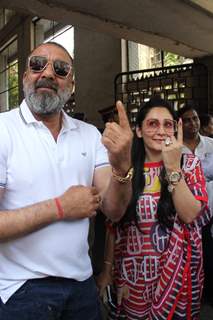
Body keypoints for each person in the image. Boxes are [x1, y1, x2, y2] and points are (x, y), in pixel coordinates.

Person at [0, 41, 133, 320]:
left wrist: (122, 166)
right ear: (25, 77)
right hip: (20, 290)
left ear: (71, 85)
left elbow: (115, 209)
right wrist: (60, 207)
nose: (48, 73)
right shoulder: (3, 130)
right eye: (38, 65)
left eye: (61, 69)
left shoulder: (89, 135)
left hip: (80, 286)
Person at [97, 96, 211, 319]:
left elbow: (189, 215)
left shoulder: (190, 165)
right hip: (134, 276)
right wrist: (107, 270)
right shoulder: (125, 169)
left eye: (168, 124)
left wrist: (172, 166)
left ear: (176, 129)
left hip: (180, 278)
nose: (161, 131)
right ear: (138, 131)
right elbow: (114, 225)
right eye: (152, 124)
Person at [178, 104, 213, 304]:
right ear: (180, 124)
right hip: (187, 215)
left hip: (210, 213)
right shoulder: (175, 148)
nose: (193, 123)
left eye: (196, 118)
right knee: (190, 259)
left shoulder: (210, 144)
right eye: (188, 120)